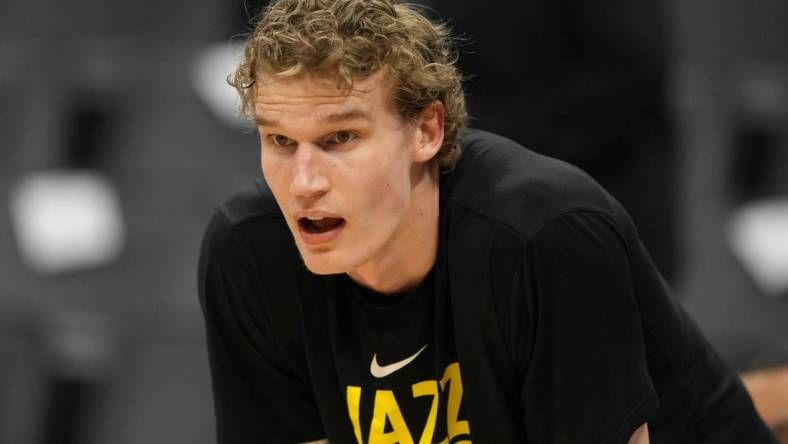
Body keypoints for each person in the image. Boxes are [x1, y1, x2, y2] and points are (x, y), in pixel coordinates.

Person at [197, 0, 776, 442]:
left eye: (340, 138)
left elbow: (631, 74)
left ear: (428, 131)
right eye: (279, 140)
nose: (304, 183)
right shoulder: (249, 251)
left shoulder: (544, 234)